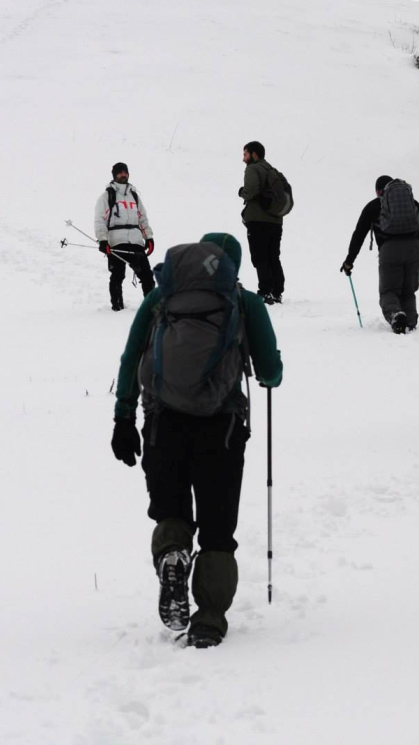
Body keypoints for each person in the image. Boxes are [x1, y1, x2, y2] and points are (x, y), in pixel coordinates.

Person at [110, 232, 283, 649]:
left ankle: (173, 555)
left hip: (161, 424)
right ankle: (208, 620)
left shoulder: (163, 298)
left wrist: (123, 418)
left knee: (171, 511)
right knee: (218, 530)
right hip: (220, 429)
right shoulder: (245, 303)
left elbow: (132, 356)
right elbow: (270, 372)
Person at [340, 175, 419, 334]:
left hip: (390, 250)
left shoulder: (373, 206)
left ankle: (396, 316)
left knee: (389, 291)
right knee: (408, 290)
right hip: (415, 249)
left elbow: (359, 234)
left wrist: (349, 261)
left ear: (379, 191)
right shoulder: (410, 204)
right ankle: (410, 323)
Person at [94, 162, 155, 311]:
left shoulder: (134, 196)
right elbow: (100, 220)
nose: (123, 174)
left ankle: (152, 307)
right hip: (116, 241)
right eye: (120, 172)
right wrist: (103, 240)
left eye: (125, 172)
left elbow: (142, 218)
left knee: (146, 275)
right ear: (114, 175)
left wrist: (149, 237)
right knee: (117, 275)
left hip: (135, 240)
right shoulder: (107, 196)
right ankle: (117, 307)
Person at [237, 141, 285, 303]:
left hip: (258, 220)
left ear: (254, 154)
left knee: (260, 257)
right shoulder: (271, 170)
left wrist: (241, 192)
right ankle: (277, 291)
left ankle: (266, 291)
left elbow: (250, 191)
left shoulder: (253, 169)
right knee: (273, 256)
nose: (243, 158)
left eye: (245, 154)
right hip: (276, 221)